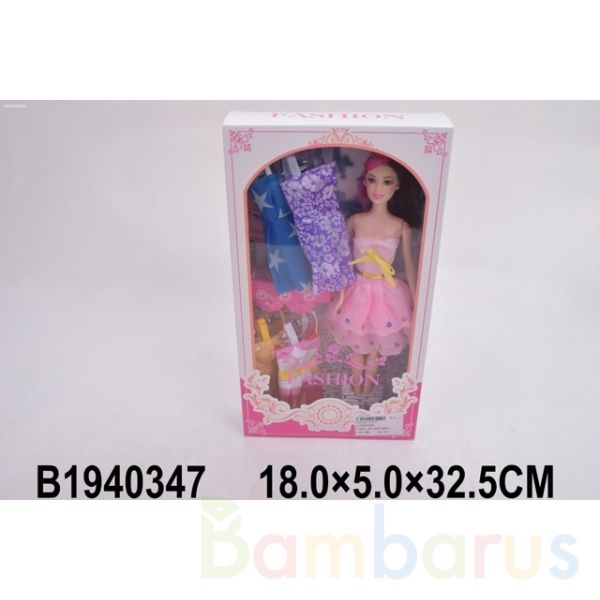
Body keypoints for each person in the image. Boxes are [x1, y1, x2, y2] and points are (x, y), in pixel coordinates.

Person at [326, 153, 418, 395]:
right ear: (365, 182)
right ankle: (357, 384)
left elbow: (410, 266)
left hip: (387, 291)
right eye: (372, 180)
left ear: (397, 186)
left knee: (378, 340)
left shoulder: (400, 226)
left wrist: (417, 301)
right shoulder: (356, 221)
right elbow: (343, 261)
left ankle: (368, 386)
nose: (378, 188)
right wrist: (340, 295)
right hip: (357, 288)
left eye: (387, 182)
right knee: (357, 341)